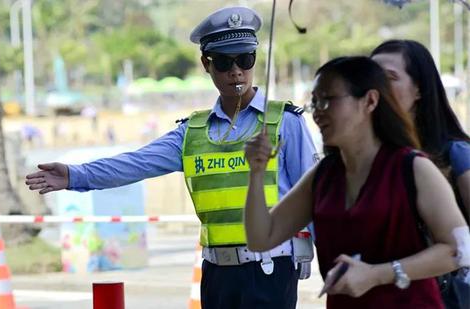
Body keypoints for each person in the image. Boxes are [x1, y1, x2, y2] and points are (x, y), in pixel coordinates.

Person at [25, 6, 317, 309]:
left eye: (245, 59)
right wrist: (74, 175)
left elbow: (316, 193)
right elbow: (136, 163)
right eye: (224, 62)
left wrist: (337, 264)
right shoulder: (191, 133)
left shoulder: (284, 123)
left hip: (270, 271)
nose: (236, 71)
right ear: (206, 64)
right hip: (217, 275)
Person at [244, 56, 468, 308]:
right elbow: (261, 238)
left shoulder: (412, 167)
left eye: (328, 100)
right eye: (314, 102)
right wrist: (256, 173)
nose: (317, 111)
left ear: (370, 101)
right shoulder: (323, 175)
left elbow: (458, 248)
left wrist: (377, 274)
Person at [371, 39, 470, 309]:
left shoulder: (456, 153)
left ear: (419, 90)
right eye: (372, 75)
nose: (377, 86)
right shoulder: (365, 158)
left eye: (390, 77)